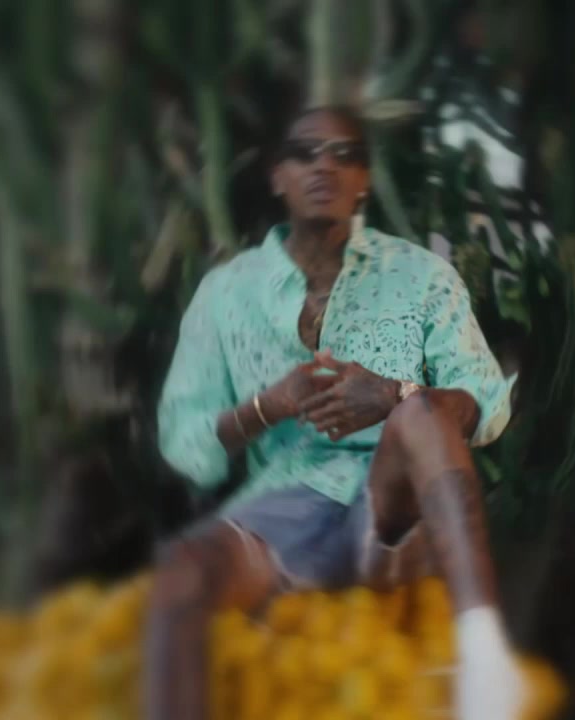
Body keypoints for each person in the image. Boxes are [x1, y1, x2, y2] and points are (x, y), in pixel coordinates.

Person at [146, 105, 527, 719]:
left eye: (345, 154)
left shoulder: (421, 277)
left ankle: (484, 661)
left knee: (421, 413)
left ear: (365, 179)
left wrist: (395, 394)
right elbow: (185, 442)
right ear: (278, 175)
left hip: (395, 503)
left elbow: (485, 402)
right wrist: (269, 406)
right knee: (182, 572)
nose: (324, 165)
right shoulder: (226, 293)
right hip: (285, 510)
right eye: (305, 152)